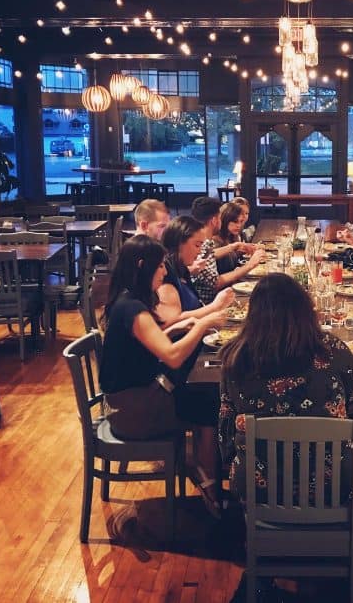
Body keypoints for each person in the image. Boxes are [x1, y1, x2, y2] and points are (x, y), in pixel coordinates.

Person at [219, 273, 353, 599]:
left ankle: (263, 553)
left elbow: (225, 433)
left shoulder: (235, 359)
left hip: (261, 484)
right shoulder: (333, 350)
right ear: (305, 311)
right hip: (334, 483)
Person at [99, 235, 227, 516]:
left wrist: (186, 327)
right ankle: (212, 489)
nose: (165, 272)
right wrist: (202, 324)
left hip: (128, 402)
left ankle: (208, 477)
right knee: (209, 406)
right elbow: (171, 355)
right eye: (159, 267)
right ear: (143, 265)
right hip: (133, 413)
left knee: (203, 396)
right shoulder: (133, 309)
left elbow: (151, 344)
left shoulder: (126, 300)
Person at [158, 214, 235, 324]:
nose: (199, 252)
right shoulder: (165, 275)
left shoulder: (181, 268)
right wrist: (215, 306)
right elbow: (172, 322)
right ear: (180, 243)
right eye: (197, 245)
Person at [190, 197, 266, 304]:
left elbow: (211, 255)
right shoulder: (203, 245)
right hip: (210, 304)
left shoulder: (203, 243)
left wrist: (234, 246)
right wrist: (250, 265)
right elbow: (216, 284)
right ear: (214, 220)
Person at [213, 202, 248, 274]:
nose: (239, 225)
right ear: (225, 220)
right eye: (235, 221)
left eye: (241, 221)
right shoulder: (215, 241)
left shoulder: (231, 236)